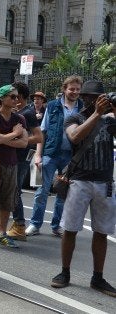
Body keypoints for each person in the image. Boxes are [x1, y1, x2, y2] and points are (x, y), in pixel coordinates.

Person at [51, 81, 115, 297]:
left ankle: (98, 277)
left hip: (104, 182)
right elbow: (75, 136)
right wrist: (96, 114)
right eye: (89, 97)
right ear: (84, 99)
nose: (94, 100)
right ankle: (65, 272)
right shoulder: (74, 118)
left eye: (98, 97)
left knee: (101, 231)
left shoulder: (111, 120)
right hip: (79, 181)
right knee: (70, 228)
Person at [26, 76, 84, 237]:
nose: (75, 92)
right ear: (64, 89)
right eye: (72, 89)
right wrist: (38, 155)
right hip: (50, 153)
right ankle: (35, 224)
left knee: (63, 193)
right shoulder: (52, 106)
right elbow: (42, 132)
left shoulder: (83, 108)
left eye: (78, 89)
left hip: (71, 156)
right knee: (41, 191)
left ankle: (57, 225)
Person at [0, 84, 28, 248]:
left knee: (7, 200)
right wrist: (15, 134)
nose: (16, 100)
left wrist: (6, 139)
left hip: (11, 162)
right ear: (2, 98)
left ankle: (2, 233)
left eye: (17, 97)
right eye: (12, 96)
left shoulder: (20, 119)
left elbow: (24, 143)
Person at [7, 82, 43, 241]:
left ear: (20, 96)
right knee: (9, 190)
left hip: (20, 157)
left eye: (13, 94)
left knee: (15, 191)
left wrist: (21, 140)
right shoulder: (19, 111)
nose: (11, 97)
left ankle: (19, 225)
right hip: (13, 155)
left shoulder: (27, 113)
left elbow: (38, 137)